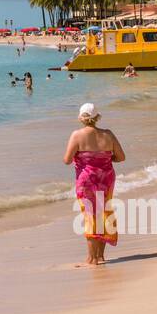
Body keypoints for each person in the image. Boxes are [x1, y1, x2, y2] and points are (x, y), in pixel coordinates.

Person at [63, 103, 125, 266]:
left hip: (86, 180)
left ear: (81, 117)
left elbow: (67, 160)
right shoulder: (108, 134)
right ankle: (100, 256)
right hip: (106, 178)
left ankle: (92, 258)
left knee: (91, 216)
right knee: (104, 214)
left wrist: (85, 158)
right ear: (97, 117)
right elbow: (121, 157)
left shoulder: (77, 135)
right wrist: (104, 159)